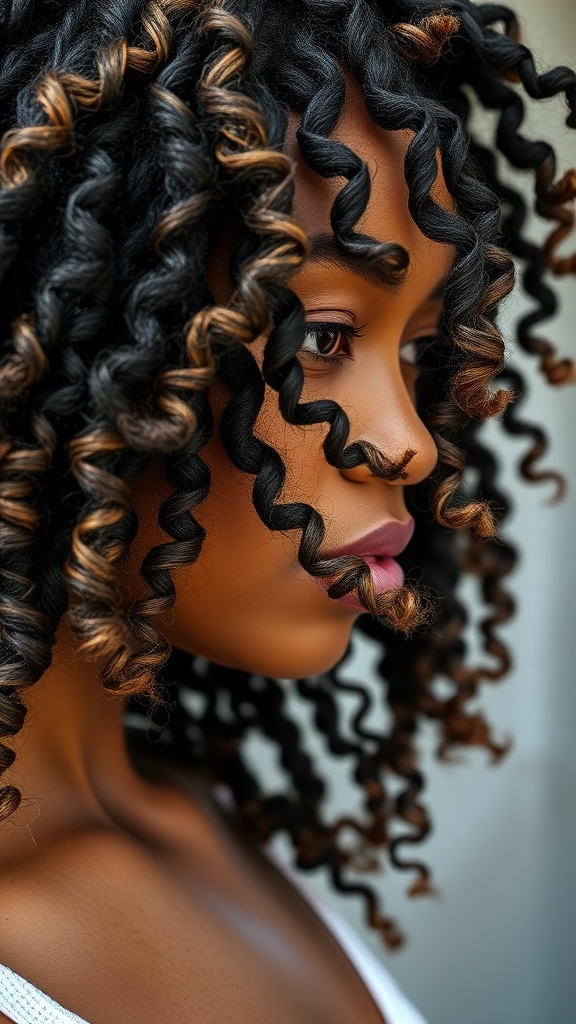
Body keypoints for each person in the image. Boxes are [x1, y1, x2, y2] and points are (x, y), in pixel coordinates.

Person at [0, 0, 574, 1021]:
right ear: (60, 335)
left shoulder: (194, 815)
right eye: (323, 337)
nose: (410, 443)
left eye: (416, 347)